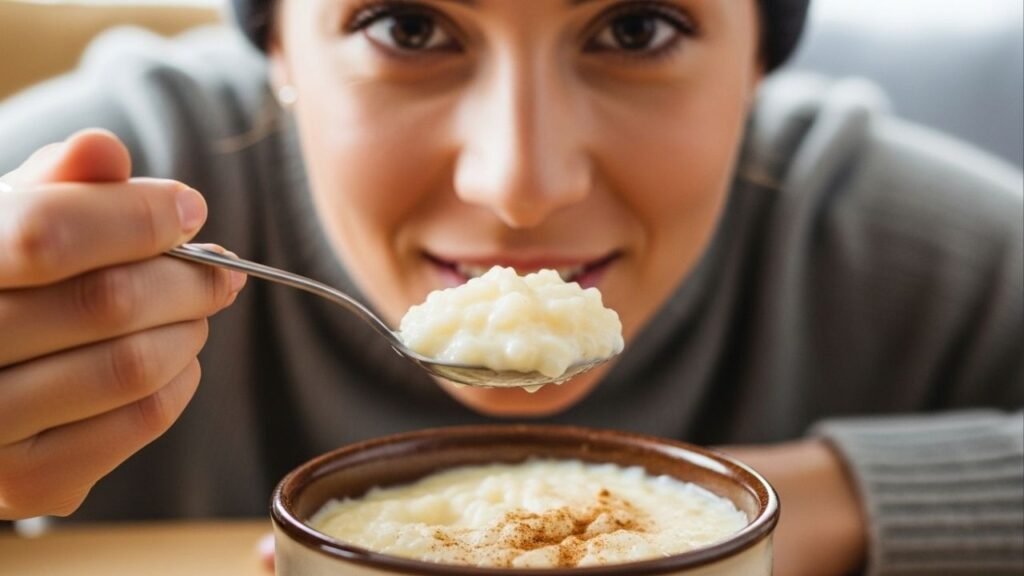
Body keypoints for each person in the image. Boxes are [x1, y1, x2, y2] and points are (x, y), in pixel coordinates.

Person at [0, 0, 1020, 574]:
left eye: (636, 29)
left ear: (760, 56)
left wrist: (809, 506)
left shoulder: (896, 242)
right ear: (276, 44)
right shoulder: (117, 187)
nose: (521, 185)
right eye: (408, 27)